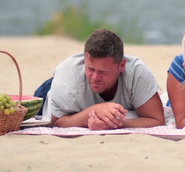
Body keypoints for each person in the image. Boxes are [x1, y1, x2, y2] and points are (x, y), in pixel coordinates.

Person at [35, 28, 165, 130]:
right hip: (49, 93)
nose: (95, 77)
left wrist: (114, 123)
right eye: (90, 69)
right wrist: (95, 110)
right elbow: (56, 123)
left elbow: (157, 120)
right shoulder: (67, 80)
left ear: (122, 65)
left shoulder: (137, 73)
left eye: (103, 71)